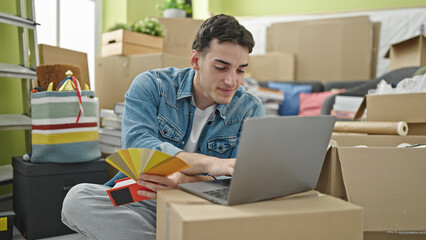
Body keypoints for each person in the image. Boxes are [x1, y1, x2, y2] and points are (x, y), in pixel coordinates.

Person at [61, 14, 265, 240]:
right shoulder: (152, 85)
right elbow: (139, 149)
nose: (232, 81)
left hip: (203, 207)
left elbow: (239, 187)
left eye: (240, 70)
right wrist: (211, 164)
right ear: (195, 60)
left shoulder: (250, 109)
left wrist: (183, 182)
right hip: (140, 198)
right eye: (221, 67)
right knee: (77, 199)